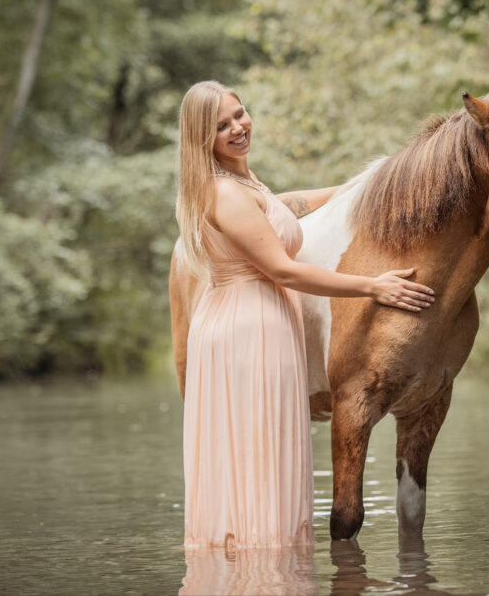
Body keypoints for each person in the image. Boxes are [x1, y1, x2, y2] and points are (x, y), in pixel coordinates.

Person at [175, 80, 435, 548]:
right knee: (256, 456)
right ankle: (259, 569)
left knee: (265, 454)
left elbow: (290, 206)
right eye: (221, 126)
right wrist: (372, 286)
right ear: (201, 138)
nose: (238, 127)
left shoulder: (243, 183)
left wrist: (374, 184)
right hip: (247, 328)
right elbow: (284, 270)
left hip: (259, 322)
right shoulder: (224, 193)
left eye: (240, 113)